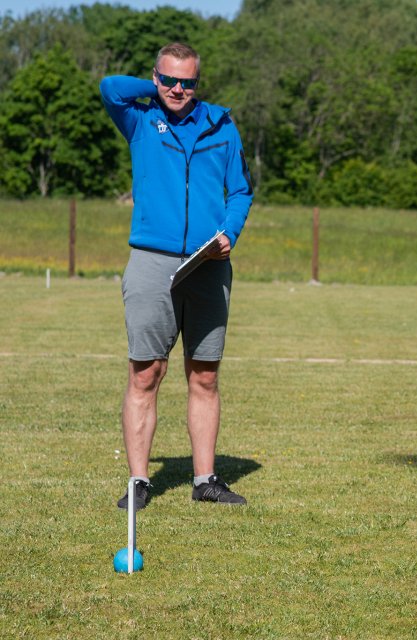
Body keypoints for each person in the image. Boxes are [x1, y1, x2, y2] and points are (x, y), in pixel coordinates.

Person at [100, 42, 254, 510]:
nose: (178, 89)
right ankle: (140, 481)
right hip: (151, 261)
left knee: (204, 375)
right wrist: (156, 88)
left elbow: (241, 191)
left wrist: (230, 232)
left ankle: (205, 479)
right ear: (155, 77)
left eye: (187, 82)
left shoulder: (222, 126)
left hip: (209, 264)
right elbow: (110, 88)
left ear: (198, 83)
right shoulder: (141, 119)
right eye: (169, 79)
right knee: (146, 371)